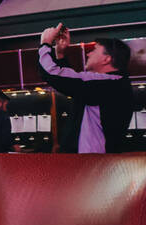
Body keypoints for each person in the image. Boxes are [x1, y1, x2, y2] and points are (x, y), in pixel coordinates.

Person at [38, 23, 133, 153]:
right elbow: (75, 86)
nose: (88, 54)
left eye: (94, 50)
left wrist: (45, 43)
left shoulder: (108, 83)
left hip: (92, 164)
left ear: (106, 59)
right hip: (93, 163)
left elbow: (52, 73)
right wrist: (60, 54)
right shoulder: (112, 84)